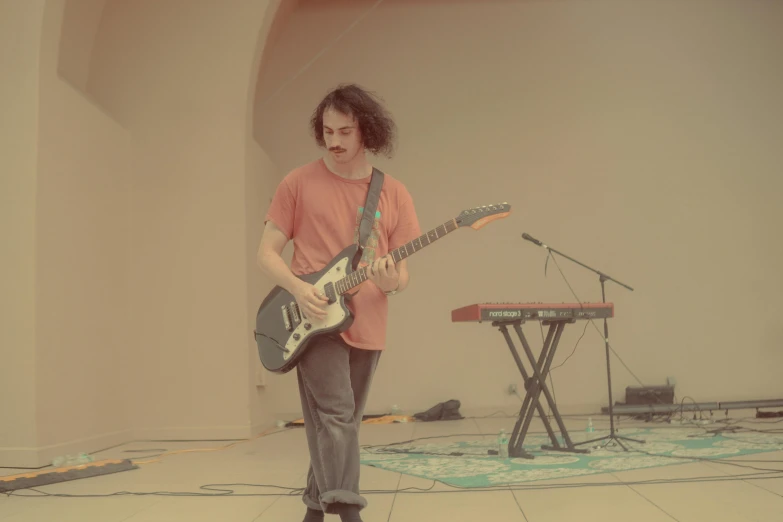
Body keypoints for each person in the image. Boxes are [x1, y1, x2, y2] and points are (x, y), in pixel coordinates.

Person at [256, 84, 421, 522]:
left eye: (345, 131)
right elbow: (265, 253)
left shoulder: (393, 193)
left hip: (368, 320)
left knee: (339, 425)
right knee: (336, 415)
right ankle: (350, 513)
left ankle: (314, 512)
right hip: (312, 319)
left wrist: (392, 281)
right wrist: (297, 288)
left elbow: (401, 274)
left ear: (367, 131)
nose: (335, 141)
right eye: (328, 131)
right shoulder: (297, 182)